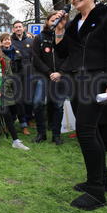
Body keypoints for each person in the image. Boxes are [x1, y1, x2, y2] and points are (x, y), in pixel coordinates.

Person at [54, 0, 107, 210]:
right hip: (77, 81)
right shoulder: (75, 24)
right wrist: (61, 29)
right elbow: (63, 52)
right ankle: (101, 181)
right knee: (90, 131)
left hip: (97, 79)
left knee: (85, 131)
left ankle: (96, 193)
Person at [31, 12, 67, 145]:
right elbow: (35, 58)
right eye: (52, 20)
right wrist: (48, 72)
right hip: (42, 76)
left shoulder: (66, 37)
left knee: (58, 105)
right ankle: (41, 133)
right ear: (47, 22)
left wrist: (60, 72)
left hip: (60, 76)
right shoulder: (39, 37)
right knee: (37, 103)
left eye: (58, 19)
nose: (55, 22)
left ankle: (56, 135)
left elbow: (69, 56)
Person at [10, 21, 34, 135]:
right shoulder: (10, 42)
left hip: (29, 73)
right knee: (19, 100)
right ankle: (23, 124)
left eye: (20, 27)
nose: (18, 29)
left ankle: (29, 119)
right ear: (13, 30)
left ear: (23, 28)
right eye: (16, 27)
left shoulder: (30, 41)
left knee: (29, 98)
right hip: (16, 74)